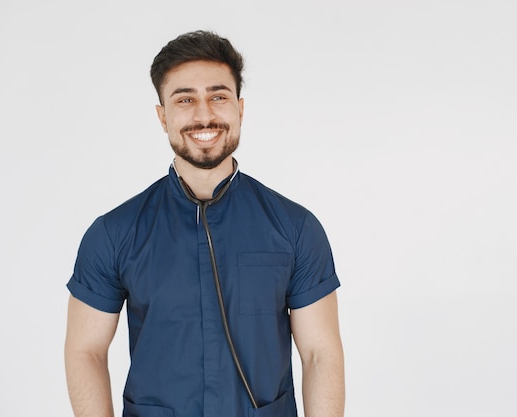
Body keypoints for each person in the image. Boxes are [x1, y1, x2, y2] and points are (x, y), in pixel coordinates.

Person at [64, 30, 345, 417]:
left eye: (218, 96)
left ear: (240, 109)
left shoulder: (296, 229)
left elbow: (320, 354)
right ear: (163, 116)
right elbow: (85, 351)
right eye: (185, 100)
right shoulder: (112, 234)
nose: (204, 114)